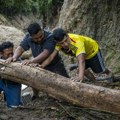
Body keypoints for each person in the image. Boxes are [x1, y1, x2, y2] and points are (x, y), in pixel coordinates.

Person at [6, 23, 69, 100]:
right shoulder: (27, 37)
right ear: (30, 36)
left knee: (66, 85)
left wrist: (31, 61)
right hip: (39, 65)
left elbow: (45, 54)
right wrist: (14, 57)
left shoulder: (50, 37)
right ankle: (36, 95)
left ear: (42, 30)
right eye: (36, 38)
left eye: (40, 36)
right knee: (40, 84)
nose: (39, 39)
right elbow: (21, 48)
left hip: (55, 65)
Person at [41, 28, 113, 83]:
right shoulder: (58, 44)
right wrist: (41, 66)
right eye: (62, 43)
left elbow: (81, 61)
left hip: (92, 52)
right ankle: (95, 82)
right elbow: (51, 57)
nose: (65, 44)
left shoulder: (77, 41)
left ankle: (109, 72)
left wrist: (80, 77)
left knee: (100, 71)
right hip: (82, 55)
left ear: (67, 35)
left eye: (66, 41)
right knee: (81, 70)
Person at [0, 41, 22, 108]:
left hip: (12, 85)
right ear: (1, 53)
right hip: (1, 82)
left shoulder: (17, 60)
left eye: (12, 53)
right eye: (8, 54)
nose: (11, 56)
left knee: (14, 107)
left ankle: (12, 98)